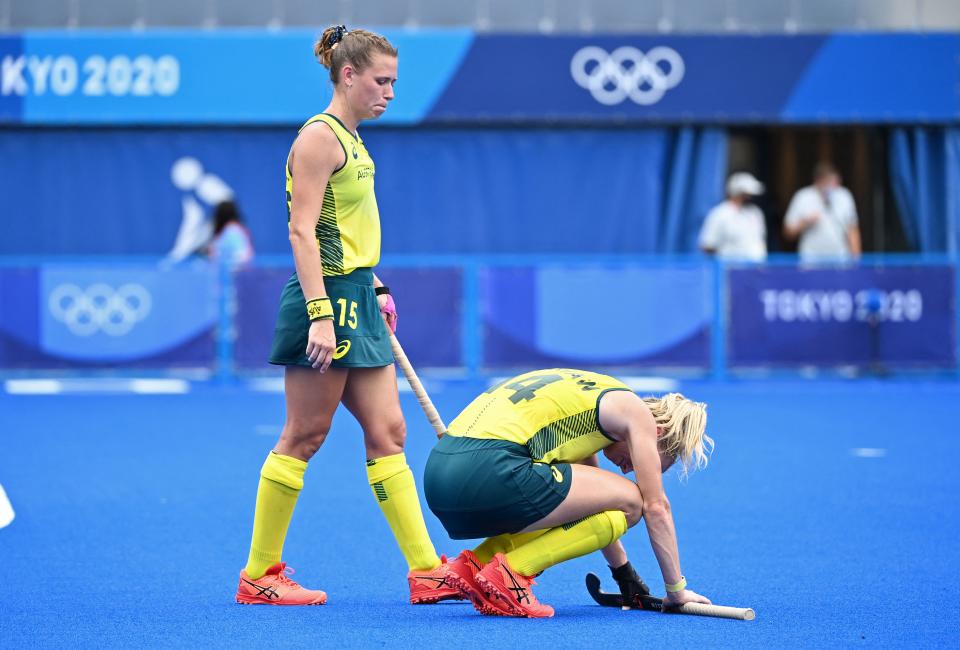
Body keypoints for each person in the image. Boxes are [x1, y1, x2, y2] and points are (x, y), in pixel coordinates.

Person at [235, 25, 460, 607]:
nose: (390, 92)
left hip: (357, 295)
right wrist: (319, 314)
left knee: (389, 433)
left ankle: (427, 571)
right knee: (305, 435)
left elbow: (349, 233)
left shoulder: (356, 141)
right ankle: (260, 574)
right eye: (382, 81)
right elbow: (302, 232)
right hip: (325, 300)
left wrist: (375, 284)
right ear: (349, 74)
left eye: (395, 82)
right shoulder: (320, 137)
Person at [423, 368, 714, 618]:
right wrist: (676, 590)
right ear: (658, 432)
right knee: (635, 500)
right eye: (645, 460)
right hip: (491, 470)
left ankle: (471, 567)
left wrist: (623, 572)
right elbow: (656, 506)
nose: (629, 470)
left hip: (440, 477)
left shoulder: (593, 398)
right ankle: (512, 572)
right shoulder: (637, 415)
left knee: (610, 496)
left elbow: (590, 505)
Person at [783, 162, 861, 262]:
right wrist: (804, 223)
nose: (833, 186)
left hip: (840, 261)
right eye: (829, 182)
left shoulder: (844, 196)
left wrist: (856, 260)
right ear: (818, 181)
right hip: (811, 262)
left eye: (835, 181)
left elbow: (852, 229)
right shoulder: (803, 197)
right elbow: (787, 232)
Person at [698, 172, 767, 262]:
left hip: (756, 271)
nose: (750, 197)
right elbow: (707, 245)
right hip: (730, 271)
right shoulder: (719, 213)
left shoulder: (756, 213)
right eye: (747, 194)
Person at [208, 200, 255, 269]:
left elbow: (242, 257)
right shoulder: (227, 231)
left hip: (233, 277)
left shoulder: (233, 231)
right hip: (225, 276)